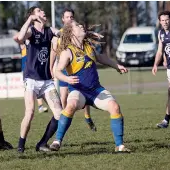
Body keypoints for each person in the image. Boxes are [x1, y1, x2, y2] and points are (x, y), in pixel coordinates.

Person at [49, 20, 130, 153]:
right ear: (71, 33)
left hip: (96, 90)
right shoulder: (68, 52)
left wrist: (116, 65)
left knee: (115, 107)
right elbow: (57, 71)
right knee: (70, 106)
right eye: (77, 25)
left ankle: (119, 146)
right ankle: (57, 141)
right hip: (78, 91)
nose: (81, 25)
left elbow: (100, 57)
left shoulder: (88, 46)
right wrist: (66, 78)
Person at [14, 6, 63, 153]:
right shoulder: (31, 31)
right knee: (30, 113)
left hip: (47, 81)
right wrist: (29, 20)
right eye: (39, 11)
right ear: (33, 16)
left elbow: (60, 33)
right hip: (31, 80)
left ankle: (41, 143)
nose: (43, 12)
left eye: (43, 11)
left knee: (60, 114)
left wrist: (68, 32)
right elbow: (20, 38)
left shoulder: (50, 30)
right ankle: (21, 145)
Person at [51, 8, 97, 132]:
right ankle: (63, 122)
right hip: (63, 70)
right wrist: (51, 68)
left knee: (85, 94)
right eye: (67, 17)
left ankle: (87, 117)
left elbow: (86, 42)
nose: (69, 19)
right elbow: (53, 52)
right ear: (62, 19)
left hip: (76, 68)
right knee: (63, 98)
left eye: (71, 17)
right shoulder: (58, 35)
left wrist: (92, 34)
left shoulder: (78, 32)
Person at [20, 42, 49, 113]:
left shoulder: (34, 50)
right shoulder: (24, 48)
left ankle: (40, 106)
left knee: (38, 90)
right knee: (32, 92)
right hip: (28, 75)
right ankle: (38, 107)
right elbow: (21, 41)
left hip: (36, 73)